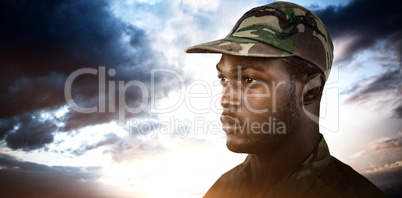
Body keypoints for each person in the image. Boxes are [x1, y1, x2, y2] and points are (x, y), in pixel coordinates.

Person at [185, 1, 387, 198]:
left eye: (249, 79)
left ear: (311, 89)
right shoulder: (222, 190)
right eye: (223, 78)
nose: (225, 100)